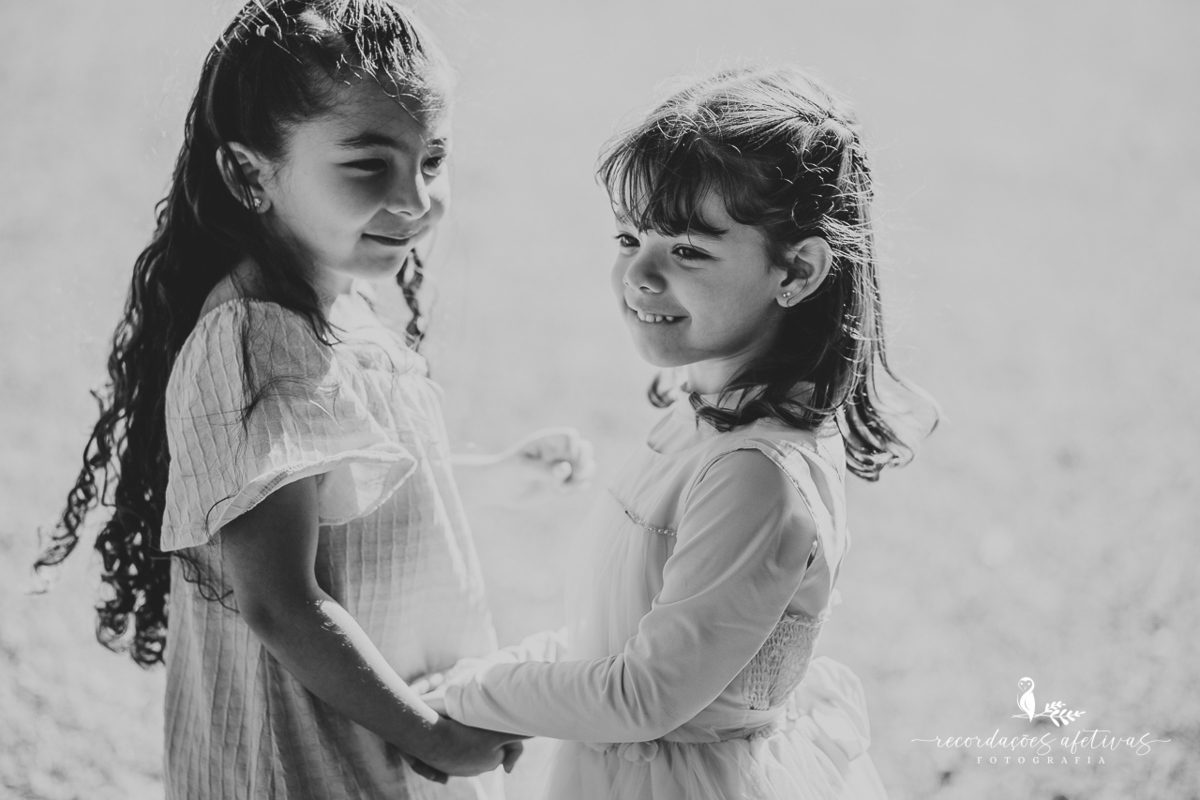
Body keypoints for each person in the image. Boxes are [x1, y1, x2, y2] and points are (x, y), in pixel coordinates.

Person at [34, 2, 593, 797]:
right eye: (369, 165)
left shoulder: (344, 310)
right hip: (308, 764)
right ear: (248, 174)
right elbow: (281, 603)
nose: (415, 199)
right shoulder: (253, 346)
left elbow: (346, 501)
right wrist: (426, 731)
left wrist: (496, 474)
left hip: (376, 741)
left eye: (431, 158)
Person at [416, 65, 938, 799]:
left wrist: (463, 701)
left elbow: (644, 696)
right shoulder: (699, 419)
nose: (640, 274)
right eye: (630, 238)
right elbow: (615, 636)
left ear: (798, 270)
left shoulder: (755, 472)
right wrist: (489, 682)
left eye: (689, 249)